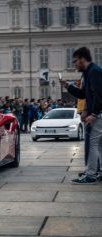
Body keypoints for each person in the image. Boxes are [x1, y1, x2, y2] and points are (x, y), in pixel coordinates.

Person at [60, 47, 102, 184]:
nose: (74, 64)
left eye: (75, 61)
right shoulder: (89, 72)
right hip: (97, 113)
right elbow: (83, 94)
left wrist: (94, 114)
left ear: (83, 59)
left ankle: (90, 175)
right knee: (99, 144)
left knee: (93, 144)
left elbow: (98, 95)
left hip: (98, 114)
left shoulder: (94, 72)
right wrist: (67, 86)